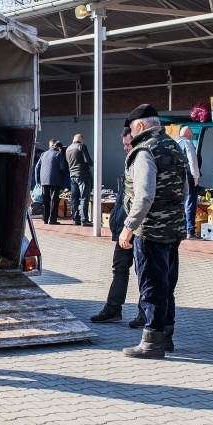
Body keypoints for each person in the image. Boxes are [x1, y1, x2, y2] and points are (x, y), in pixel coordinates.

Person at [118, 104, 186, 358]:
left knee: (151, 284)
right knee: (166, 282)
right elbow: (186, 188)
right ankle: (166, 335)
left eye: (133, 130)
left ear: (139, 126)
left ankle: (152, 341)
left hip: (151, 229)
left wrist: (129, 227)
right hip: (174, 226)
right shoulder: (174, 147)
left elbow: (144, 195)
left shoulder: (145, 150)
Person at [90, 127, 146, 327]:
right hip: (124, 227)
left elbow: (143, 199)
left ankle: (144, 313)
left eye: (127, 144)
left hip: (138, 229)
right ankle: (113, 309)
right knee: (119, 268)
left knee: (143, 272)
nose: (124, 148)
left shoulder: (144, 160)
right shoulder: (131, 161)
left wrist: (130, 227)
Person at [176, 126, 201, 239]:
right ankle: (190, 230)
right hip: (188, 176)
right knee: (191, 201)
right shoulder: (187, 142)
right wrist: (196, 176)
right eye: (191, 136)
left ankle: (180, 229)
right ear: (188, 134)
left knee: (179, 202)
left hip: (175, 177)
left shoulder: (173, 142)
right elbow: (192, 160)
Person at [35, 139, 67, 225]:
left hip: (44, 180)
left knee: (46, 200)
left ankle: (45, 218)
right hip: (55, 180)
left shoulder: (43, 154)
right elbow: (62, 168)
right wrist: (64, 175)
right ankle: (52, 220)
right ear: (59, 148)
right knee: (54, 200)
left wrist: (38, 180)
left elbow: (37, 167)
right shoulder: (59, 154)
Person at [65, 134, 94, 226]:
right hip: (82, 175)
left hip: (72, 176)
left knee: (74, 198)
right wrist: (92, 163)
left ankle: (75, 218)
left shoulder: (68, 148)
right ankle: (84, 219)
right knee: (84, 197)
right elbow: (87, 160)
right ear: (81, 140)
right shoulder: (81, 146)